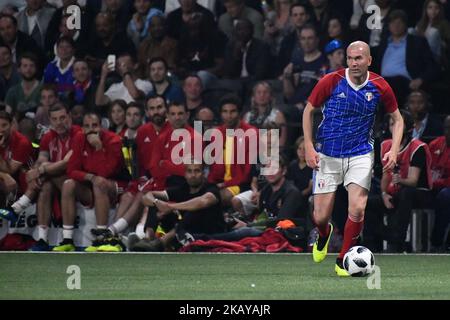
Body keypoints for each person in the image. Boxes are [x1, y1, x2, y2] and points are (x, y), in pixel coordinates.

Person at [302, 41, 404, 276]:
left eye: (359, 58)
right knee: (320, 216)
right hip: (328, 154)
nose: (354, 63)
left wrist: (394, 148)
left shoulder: (380, 86)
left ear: (369, 60)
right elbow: (309, 110)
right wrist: (308, 146)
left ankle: (342, 259)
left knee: (357, 209)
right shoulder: (331, 80)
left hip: (360, 154)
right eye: (350, 58)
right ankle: (324, 233)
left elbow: (397, 119)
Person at [1, 104, 81, 251]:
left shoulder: (78, 135)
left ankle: (17, 208)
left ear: (69, 117)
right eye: (55, 119)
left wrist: (40, 170)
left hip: (79, 183)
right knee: (45, 185)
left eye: (63, 118)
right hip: (55, 181)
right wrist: (35, 171)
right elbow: (41, 160)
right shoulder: (48, 137)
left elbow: (66, 164)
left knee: (52, 177)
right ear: (50, 120)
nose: (59, 122)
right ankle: (43, 239)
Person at [52, 111, 129, 252]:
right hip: (93, 184)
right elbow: (71, 170)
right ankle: (67, 240)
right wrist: (90, 177)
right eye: (87, 126)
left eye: (95, 125)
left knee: (99, 183)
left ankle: (101, 239)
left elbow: (105, 173)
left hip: (118, 185)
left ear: (101, 126)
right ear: (82, 128)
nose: (91, 130)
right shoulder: (79, 139)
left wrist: (99, 147)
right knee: (68, 184)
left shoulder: (113, 140)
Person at [134, 161, 226, 251]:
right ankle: (148, 239)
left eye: (197, 171)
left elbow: (203, 201)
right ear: (185, 174)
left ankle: (162, 242)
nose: (193, 175)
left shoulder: (211, 188)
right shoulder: (183, 188)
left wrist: (171, 207)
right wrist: (157, 202)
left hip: (211, 232)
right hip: (186, 231)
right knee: (155, 203)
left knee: (194, 208)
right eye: (189, 171)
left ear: (203, 173)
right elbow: (147, 196)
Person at [207, 94, 257, 208]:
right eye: (225, 111)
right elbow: (214, 169)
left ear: (239, 113)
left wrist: (224, 184)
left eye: (232, 111)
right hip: (220, 183)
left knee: (219, 197)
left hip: (242, 184)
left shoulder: (250, 133)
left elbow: (246, 174)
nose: (228, 116)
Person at [0, 109, 33, 216]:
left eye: (4, 125)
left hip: (21, 179)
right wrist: (4, 176)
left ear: (11, 125)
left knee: (9, 183)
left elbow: (10, 170)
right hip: (7, 178)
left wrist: (5, 175)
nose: (1, 129)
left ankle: (7, 214)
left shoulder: (22, 142)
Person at [429, 115, 450, 252]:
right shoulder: (435, 144)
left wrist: (436, 183)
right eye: (448, 128)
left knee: (445, 196)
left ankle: (439, 241)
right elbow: (426, 170)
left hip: (444, 189)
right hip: (431, 188)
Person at [5, 53, 42, 117]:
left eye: (32, 65)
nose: (28, 69)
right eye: (25, 66)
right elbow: (7, 114)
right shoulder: (13, 91)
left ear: (36, 68)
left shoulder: (43, 89)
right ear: (19, 69)